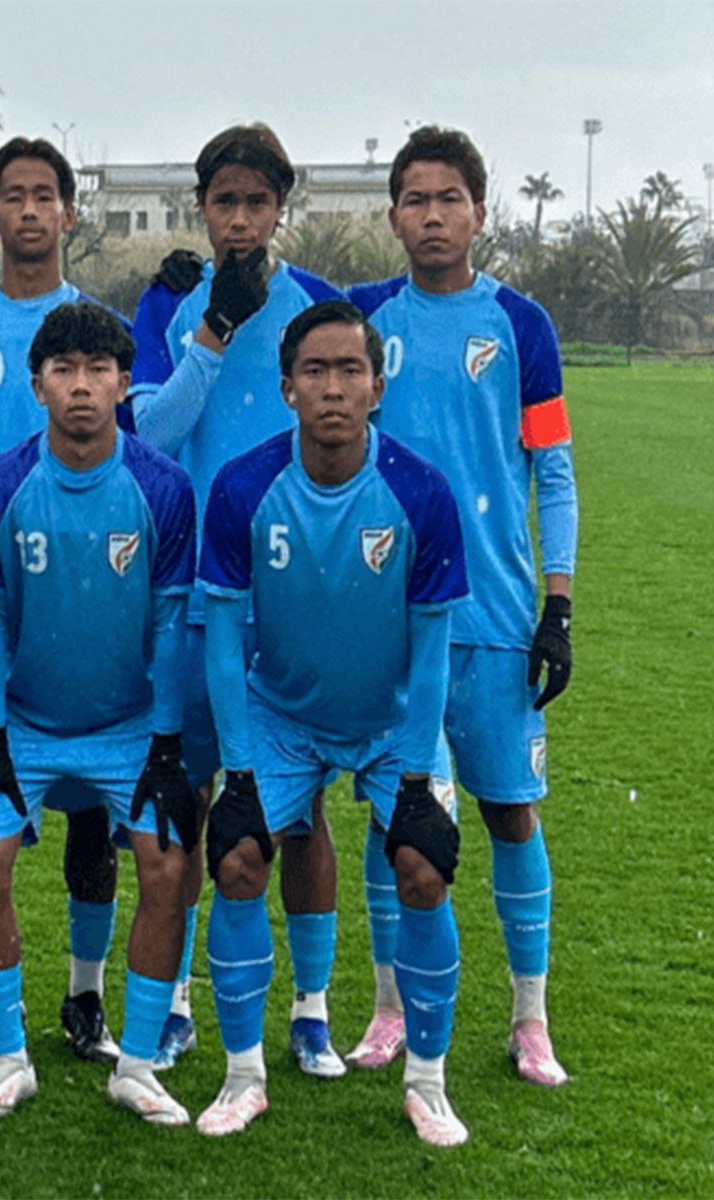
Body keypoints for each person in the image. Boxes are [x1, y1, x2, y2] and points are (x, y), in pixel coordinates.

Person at [196, 301, 470, 1144]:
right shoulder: (243, 487)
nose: (334, 389)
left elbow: (432, 653)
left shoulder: (421, 492)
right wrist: (238, 771)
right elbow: (219, 640)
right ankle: (244, 1078)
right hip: (281, 715)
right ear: (286, 388)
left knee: (424, 867)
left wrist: (420, 775)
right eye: (315, 372)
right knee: (239, 860)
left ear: (377, 386)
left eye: (351, 371)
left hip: (393, 722)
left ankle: (428, 1083)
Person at [350, 126, 577, 1086]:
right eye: (415, 199)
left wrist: (557, 606)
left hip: (494, 616)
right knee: (386, 816)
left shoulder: (522, 325)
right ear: (393, 214)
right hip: (386, 618)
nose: (432, 216)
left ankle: (530, 1018)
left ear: (479, 212)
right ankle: (389, 1007)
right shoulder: (361, 320)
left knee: (510, 813)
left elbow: (553, 471)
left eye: (450, 199)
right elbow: (264, 308)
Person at [130, 123, 348, 1072]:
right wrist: (210, 327)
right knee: (190, 801)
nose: (242, 219)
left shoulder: (316, 310)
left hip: (297, 599)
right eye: (226, 202)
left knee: (300, 815)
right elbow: (154, 437)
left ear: (281, 210)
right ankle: (174, 1000)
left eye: (259, 202)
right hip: (191, 596)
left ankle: (310, 1008)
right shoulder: (170, 305)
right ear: (203, 209)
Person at [0, 301, 198, 1127]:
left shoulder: (163, 488)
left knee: (168, 866)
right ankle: (7, 1059)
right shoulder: (0, 483)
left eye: (99, 369)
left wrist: (167, 742)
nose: (82, 386)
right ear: (37, 385)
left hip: (130, 725)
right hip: (25, 722)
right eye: (63, 369)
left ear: (126, 383)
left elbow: (172, 624)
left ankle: (135, 1063)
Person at [0, 136, 129, 1063]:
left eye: (45, 194)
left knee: (91, 814)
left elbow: (141, 442)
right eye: (12, 195)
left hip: (95, 606)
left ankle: (86, 998)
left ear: (69, 213)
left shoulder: (99, 326)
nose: (29, 211)